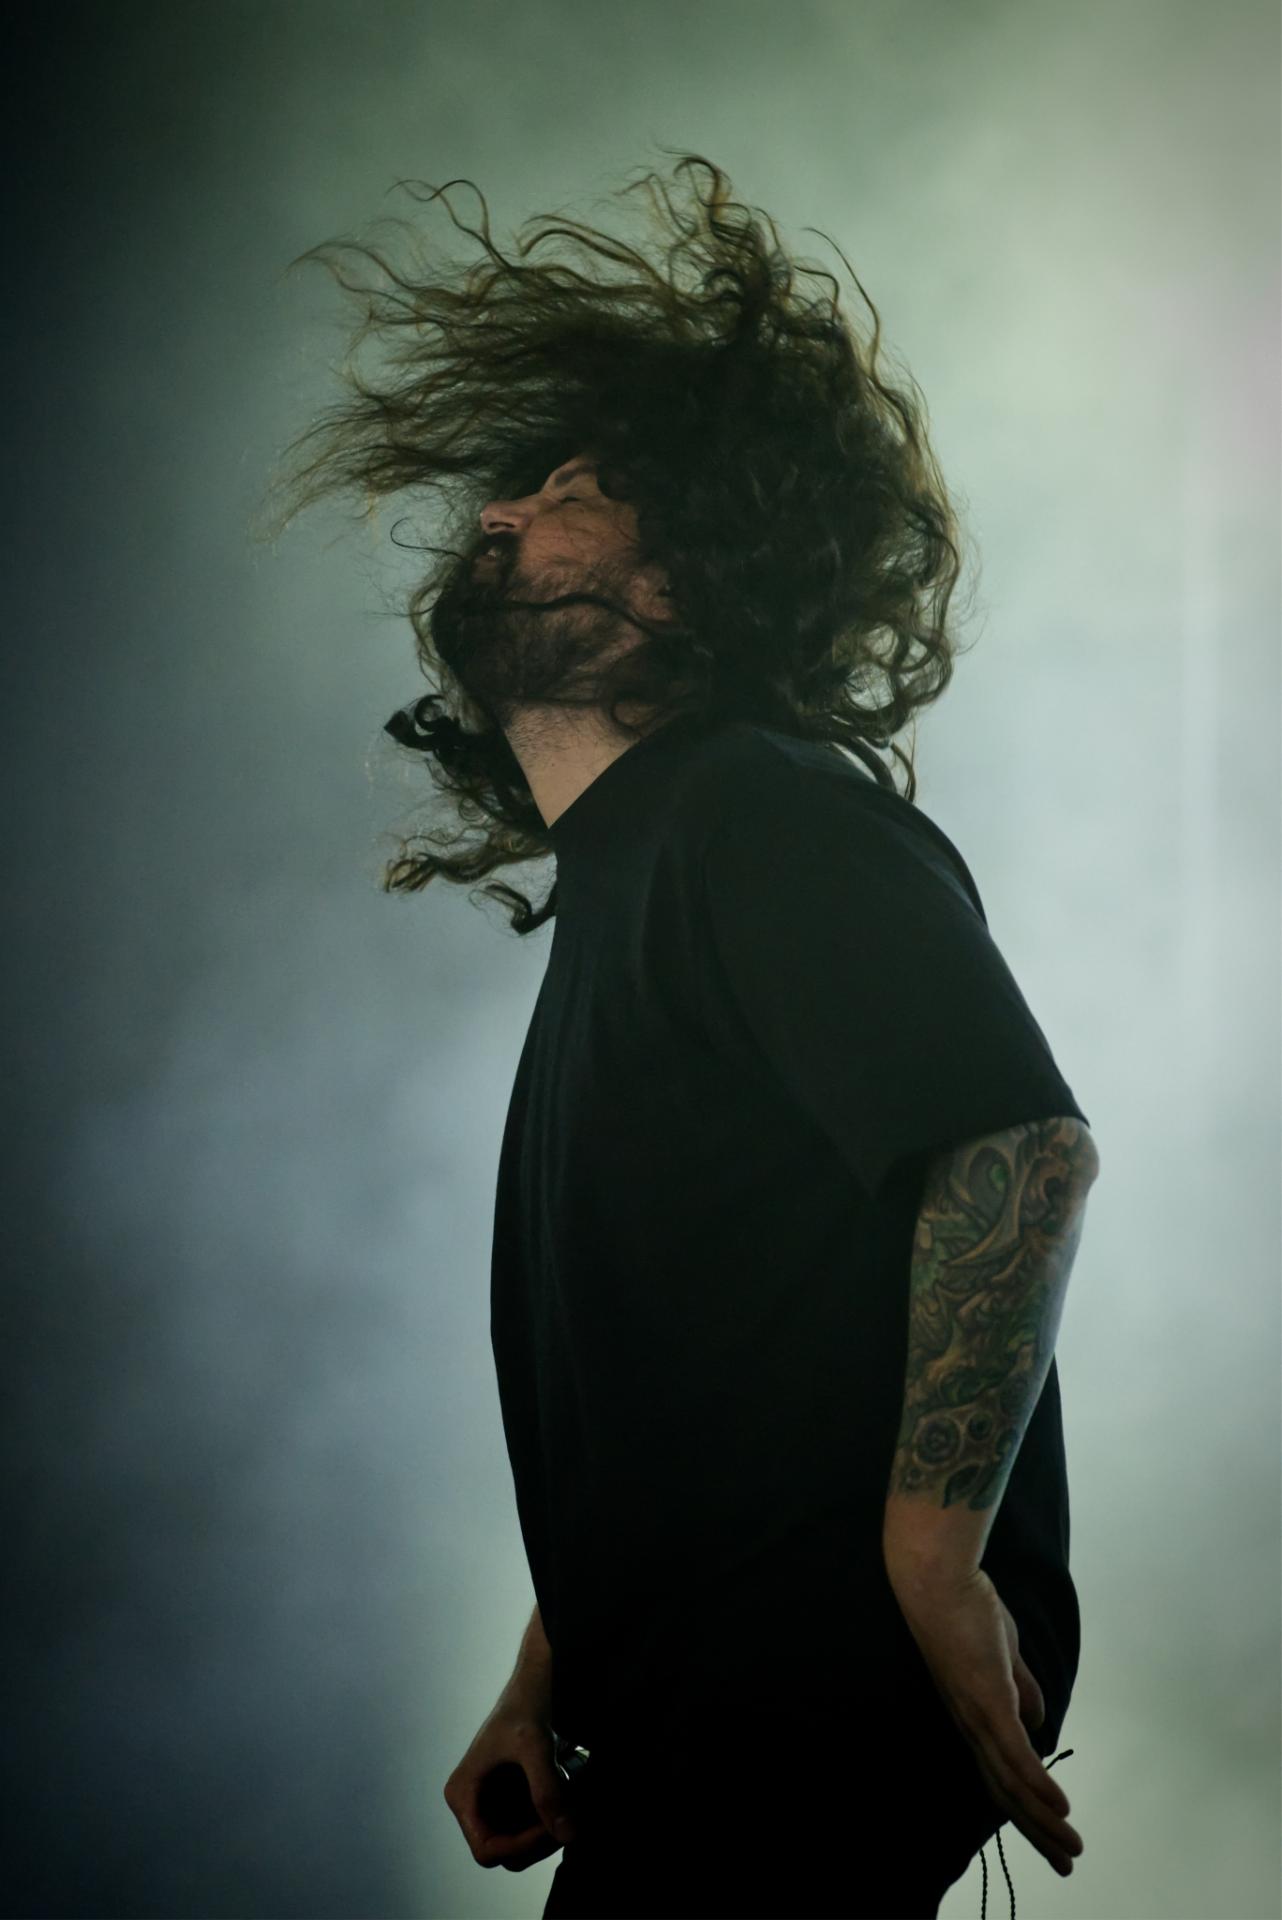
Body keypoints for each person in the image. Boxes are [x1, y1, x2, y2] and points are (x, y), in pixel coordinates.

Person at [257, 152, 1100, 1920]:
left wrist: (933, 1563)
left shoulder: (755, 813)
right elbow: (707, 1375)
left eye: (572, 494)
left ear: (689, 578)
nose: (500, 515)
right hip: (689, 1731)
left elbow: (1019, 1146)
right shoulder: (636, 886)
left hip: (797, 1712)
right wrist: (546, 1671)